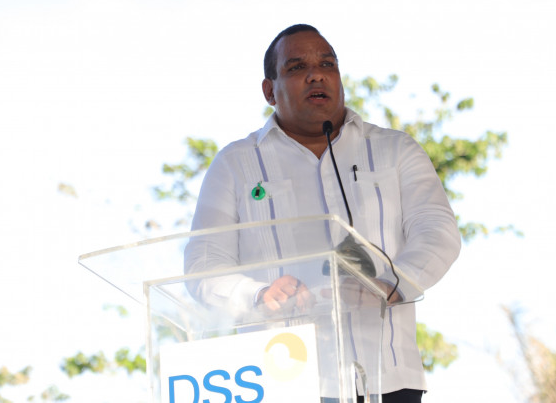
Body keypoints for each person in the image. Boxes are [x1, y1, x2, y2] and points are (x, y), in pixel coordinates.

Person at [187, 24, 461, 403]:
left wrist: (392, 284)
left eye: (327, 64)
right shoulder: (235, 164)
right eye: (297, 67)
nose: (316, 75)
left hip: (386, 377)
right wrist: (259, 294)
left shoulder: (395, 149)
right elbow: (203, 265)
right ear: (269, 91)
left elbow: (438, 232)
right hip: (282, 380)